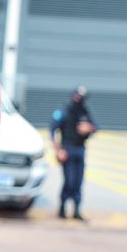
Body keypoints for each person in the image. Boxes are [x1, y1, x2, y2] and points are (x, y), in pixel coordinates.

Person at [51, 86, 97, 221]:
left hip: (80, 150)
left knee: (78, 181)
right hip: (67, 150)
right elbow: (52, 131)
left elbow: (95, 127)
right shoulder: (64, 111)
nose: (79, 100)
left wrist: (89, 128)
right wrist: (58, 150)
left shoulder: (85, 112)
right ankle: (62, 208)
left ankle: (76, 210)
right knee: (69, 180)